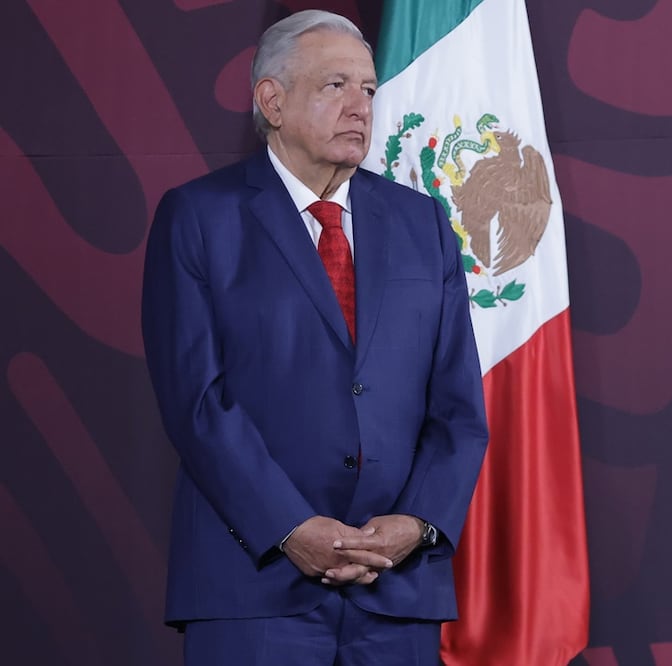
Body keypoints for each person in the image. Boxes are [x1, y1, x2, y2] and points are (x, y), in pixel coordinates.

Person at [141, 9, 488, 665]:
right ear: (271, 99)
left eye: (367, 89)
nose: (359, 106)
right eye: (335, 86)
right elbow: (196, 402)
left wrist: (416, 524)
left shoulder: (424, 224)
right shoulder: (198, 217)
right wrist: (291, 528)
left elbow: (459, 410)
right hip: (253, 586)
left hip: (398, 590)